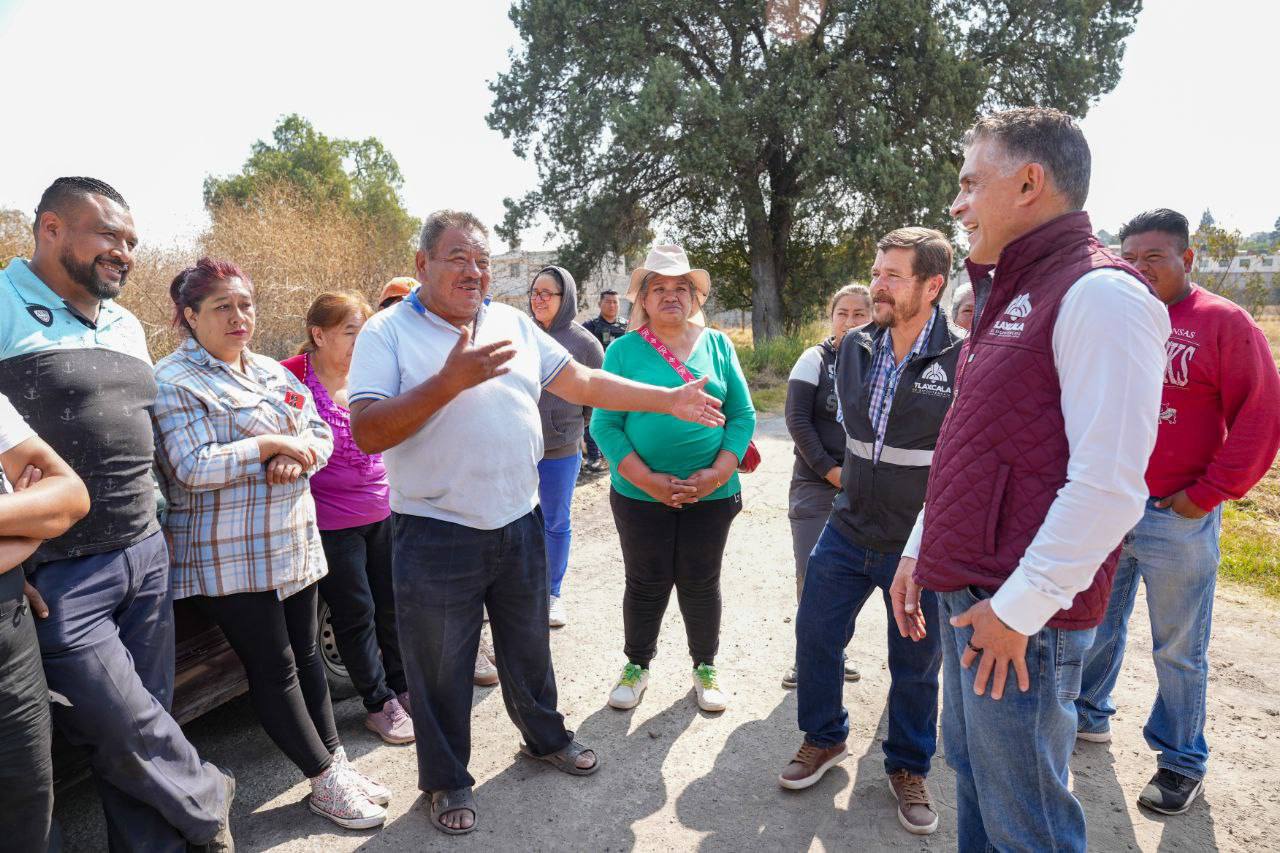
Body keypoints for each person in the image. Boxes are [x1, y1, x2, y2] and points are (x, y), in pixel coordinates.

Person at [347, 212, 725, 836]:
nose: (474, 270)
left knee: (528, 646)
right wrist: (447, 383)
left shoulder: (510, 322)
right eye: (457, 257)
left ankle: (544, 737)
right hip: (435, 530)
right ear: (422, 265)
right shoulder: (388, 332)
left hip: (517, 519)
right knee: (440, 667)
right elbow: (367, 430)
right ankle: (446, 781)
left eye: (482, 259)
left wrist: (668, 398)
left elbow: (579, 380)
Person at [889, 109, 1169, 852]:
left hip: (1017, 620)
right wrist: (923, 547)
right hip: (974, 595)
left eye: (969, 183)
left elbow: (1109, 485)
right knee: (979, 783)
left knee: (1029, 824)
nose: (956, 205)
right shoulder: (1011, 290)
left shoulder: (1102, 295)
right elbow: (970, 445)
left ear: (1029, 182)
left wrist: (1019, 609)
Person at [0, 177, 234, 851]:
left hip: (144, 549)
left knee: (143, 730)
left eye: (131, 241)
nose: (124, 251)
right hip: (58, 572)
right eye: (109, 235)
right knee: (119, 723)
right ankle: (208, 790)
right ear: (50, 229)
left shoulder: (126, 323)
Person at [153, 258, 389, 830]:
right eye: (222, 307)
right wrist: (268, 447)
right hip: (228, 554)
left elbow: (322, 434)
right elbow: (190, 465)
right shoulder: (173, 380)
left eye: (245, 305)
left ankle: (333, 762)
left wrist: (292, 449)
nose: (239, 317)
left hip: (291, 540)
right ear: (189, 315)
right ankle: (322, 780)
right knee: (275, 664)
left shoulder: (268, 370)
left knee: (306, 652)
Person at [1076, 208, 1280, 814]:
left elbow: (1261, 416)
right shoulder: (1113, 319)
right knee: (1093, 624)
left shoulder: (1223, 322)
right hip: (1109, 508)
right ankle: (1089, 715)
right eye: (1128, 258)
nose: (1138, 270)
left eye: (1154, 258)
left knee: (1178, 646)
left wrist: (1207, 493)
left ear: (1187, 260)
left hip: (1177, 515)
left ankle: (1180, 760)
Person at [780, 230, 962, 838]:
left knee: (915, 660)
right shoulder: (855, 346)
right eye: (876, 271)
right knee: (815, 632)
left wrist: (929, 537)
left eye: (893, 276)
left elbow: (960, 464)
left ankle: (908, 767)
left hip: (916, 543)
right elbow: (829, 427)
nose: (877, 285)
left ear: (932, 286)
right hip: (847, 525)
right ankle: (824, 738)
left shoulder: (962, 358)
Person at [592, 244, 757, 714]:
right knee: (645, 581)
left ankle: (705, 667)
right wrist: (647, 480)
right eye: (658, 288)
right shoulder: (622, 352)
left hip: (713, 492)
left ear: (694, 298)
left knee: (702, 581)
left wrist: (718, 472)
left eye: (681, 288)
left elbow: (742, 416)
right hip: (639, 495)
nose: (670, 296)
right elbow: (604, 424)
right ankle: (636, 666)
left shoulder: (720, 346)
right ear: (642, 299)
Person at [281, 293, 413, 745]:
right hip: (331, 520)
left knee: (393, 604)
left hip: (383, 509)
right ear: (319, 334)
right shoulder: (291, 377)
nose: (362, 341)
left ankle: (403, 687)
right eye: (351, 332)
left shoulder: (370, 373)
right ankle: (378, 704)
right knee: (357, 612)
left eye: (365, 331)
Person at [0, 393, 89, 853]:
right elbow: (42, 513)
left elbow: (70, 497)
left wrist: (28, 530)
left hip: (8, 632)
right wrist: (23, 521)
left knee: (29, 805)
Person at [780, 283, 871, 689]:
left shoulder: (885, 359)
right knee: (814, 572)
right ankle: (808, 656)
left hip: (871, 491)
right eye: (842, 313)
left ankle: (834, 647)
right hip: (817, 486)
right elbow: (798, 422)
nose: (850, 322)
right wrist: (834, 473)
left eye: (859, 314)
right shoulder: (813, 359)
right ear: (831, 316)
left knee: (856, 576)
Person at [528, 266, 604, 627]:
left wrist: (569, 427)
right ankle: (525, 592)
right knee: (519, 524)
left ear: (566, 299)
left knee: (555, 521)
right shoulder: (520, 335)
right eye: (535, 292)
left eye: (548, 293)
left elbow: (596, 398)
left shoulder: (585, 344)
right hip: (517, 449)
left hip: (560, 449)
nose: (539, 300)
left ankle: (553, 593)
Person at [581, 289, 628, 472]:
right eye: (608, 302)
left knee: (622, 418)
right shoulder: (590, 327)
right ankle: (594, 457)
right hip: (597, 380)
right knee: (593, 418)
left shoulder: (627, 327)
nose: (612, 305)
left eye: (615, 302)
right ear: (600, 304)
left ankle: (618, 456)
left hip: (623, 380)